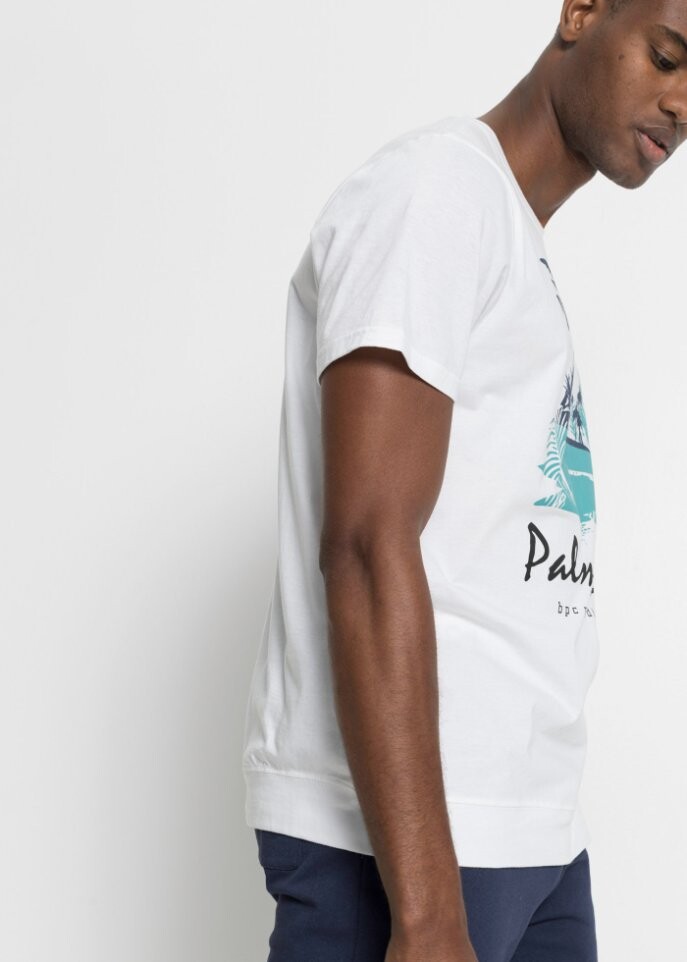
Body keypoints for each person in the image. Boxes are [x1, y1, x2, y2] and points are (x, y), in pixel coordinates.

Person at [242, 0, 686, 959]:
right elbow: (366, 544)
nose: (680, 102)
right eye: (665, 56)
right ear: (581, 12)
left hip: (530, 831)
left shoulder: (508, 235)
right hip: (409, 848)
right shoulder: (436, 191)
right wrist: (428, 910)